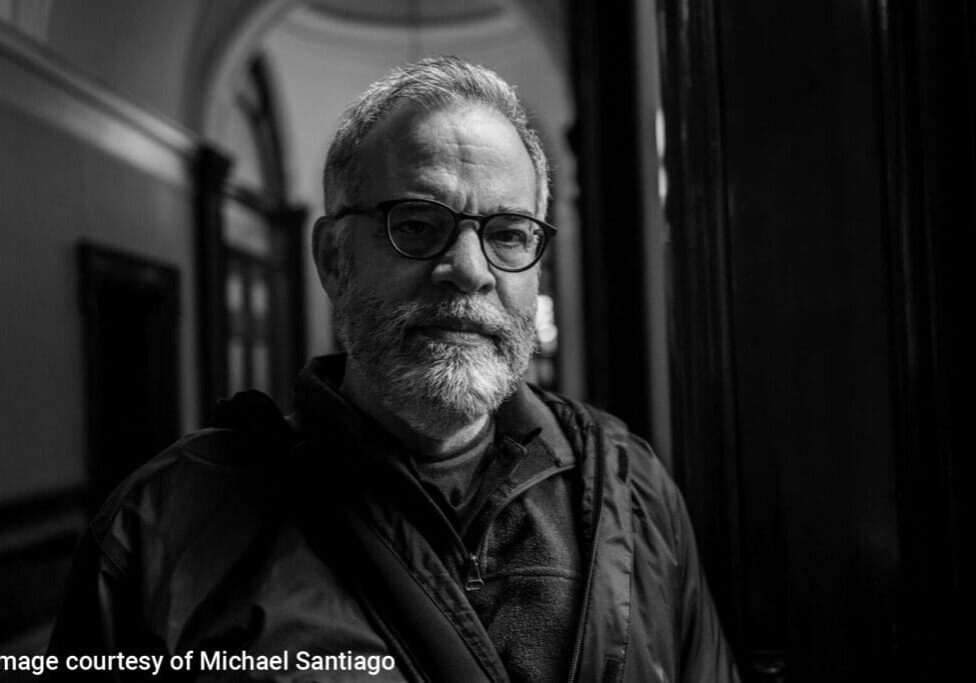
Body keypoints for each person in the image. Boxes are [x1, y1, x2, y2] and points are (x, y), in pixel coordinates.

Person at [49, 56, 739, 682]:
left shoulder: (631, 488)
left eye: (507, 234)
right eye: (416, 225)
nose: (468, 270)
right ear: (333, 259)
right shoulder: (163, 529)